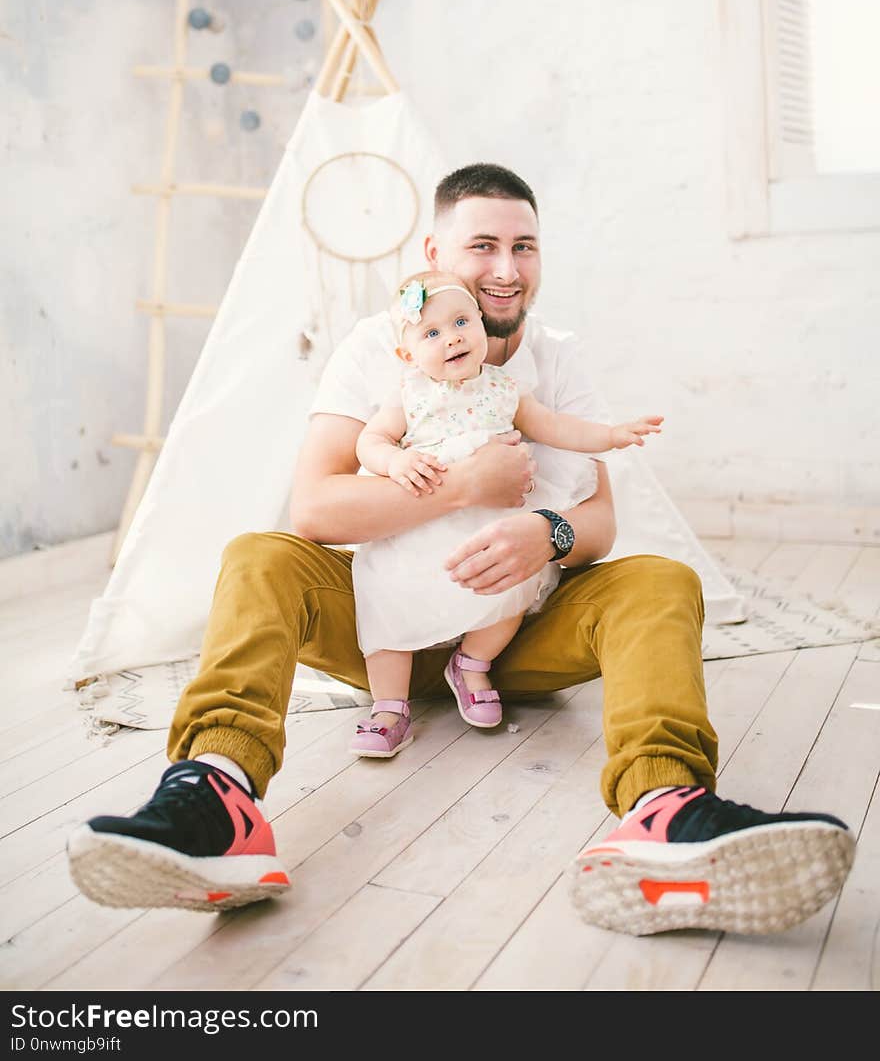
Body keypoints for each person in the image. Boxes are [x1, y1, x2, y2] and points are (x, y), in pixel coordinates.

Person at [66, 162, 856, 937]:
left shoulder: (556, 358)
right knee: (259, 555)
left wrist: (543, 533)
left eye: (525, 246)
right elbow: (314, 508)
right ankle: (216, 796)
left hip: (515, 632)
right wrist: (465, 486)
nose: (506, 269)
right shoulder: (378, 352)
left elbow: (600, 525)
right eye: (483, 245)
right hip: (385, 627)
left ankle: (667, 808)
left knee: (660, 580)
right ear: (433, 257)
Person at [350, 265, 662, 757]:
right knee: (388, 600)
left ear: (478, 321)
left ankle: (471, 663)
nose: (452, 339)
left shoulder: (505, 389)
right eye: (432, 333)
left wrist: (610, 435)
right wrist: (396, 459)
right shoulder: (409, 396)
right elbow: (370, 441)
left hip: (490, 528)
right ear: (408, 354)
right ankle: (388, 707)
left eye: (460, 323)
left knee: (510, 591)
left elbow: (557, 427)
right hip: (420, 528)